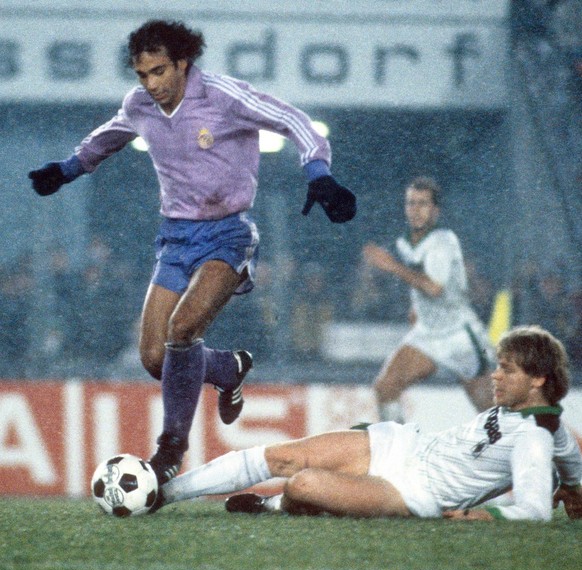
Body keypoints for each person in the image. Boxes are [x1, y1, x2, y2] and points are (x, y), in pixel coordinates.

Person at [28, 20, 356, 485]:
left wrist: (319, 174)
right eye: (143, 74)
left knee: (182, 330)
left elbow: (295, 121)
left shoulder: (224, 96)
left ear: (183, 63)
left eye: (159, 71)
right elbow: (111, 135)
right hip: (175, 238)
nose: (151, 83)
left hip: (229, 233)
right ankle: (227, 368)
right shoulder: (140, 105)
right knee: (153, 358)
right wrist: (67, 169)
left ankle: (170, 449)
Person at [151, 326, 582, 522]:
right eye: (499, 366)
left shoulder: (535, 438)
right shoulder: (547, 425)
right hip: (405, 445)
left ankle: (272, 506)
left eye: (508, 370)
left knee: (302, 484)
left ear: (539, 380)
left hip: (413, 493)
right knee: (282, 457)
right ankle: (162, 494)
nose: (495, 377)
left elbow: (534, 511)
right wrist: (575, 488)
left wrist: (483, 516)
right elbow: (573, 464)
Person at [362, 176, 494, 423]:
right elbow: (419, 277)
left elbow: (434, 288)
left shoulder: (443, 241)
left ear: (435, 210)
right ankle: (400, 446)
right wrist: (416, 309)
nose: (415, 210)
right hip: (428, 334)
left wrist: (391, 266)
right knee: (385, 388)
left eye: (423, 204)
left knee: (492, 413)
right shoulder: (405, 242)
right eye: (411, 203)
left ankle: (533, 442)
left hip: (459, 335)